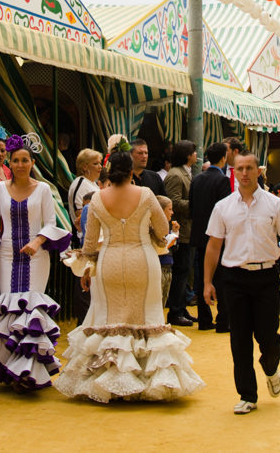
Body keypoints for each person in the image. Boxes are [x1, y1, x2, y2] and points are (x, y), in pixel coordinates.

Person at [55, 151, 204, 402]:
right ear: (130, 169)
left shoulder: (98, 199)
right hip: (142, 261)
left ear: (109, 170)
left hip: (109, 262)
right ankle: (145, 379)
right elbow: (163, 228)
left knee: (109, 318)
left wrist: (88, 268)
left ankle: (108, 377)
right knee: (146, 318)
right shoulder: (145, 195)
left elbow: (90, 243)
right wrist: (148, 233)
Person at [0, 134, 71, 390]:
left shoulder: (44, 189)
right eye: (16, 160)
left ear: (32, 163)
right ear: (10, 164)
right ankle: (12, 370)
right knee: (12, 310)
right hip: (7, 254)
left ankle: (31, 372)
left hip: (37, 257)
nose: (21, 164)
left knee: (32, 310)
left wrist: (37, 242)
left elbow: (50, 223)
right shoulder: (0, 189)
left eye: (25, 160)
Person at [203, 152, 280, 415]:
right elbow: (213, 246)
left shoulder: (276, 205)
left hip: (267, 276)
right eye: (240, 168)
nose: (244, 173)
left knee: (268, 336)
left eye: (249, 168)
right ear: (233, 171)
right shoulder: (223, 207)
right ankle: (247, 394)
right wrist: (207, 282)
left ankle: (271, 367)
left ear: (259, 171)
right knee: (240, 339)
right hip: (233, 279)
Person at [190, 142, 232, 331]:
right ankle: (223, 320)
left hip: (199, 233)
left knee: (201, 277)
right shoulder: (222, 180)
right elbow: (226, 210)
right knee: (221, 277)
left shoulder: (197, 179)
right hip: (217, 235)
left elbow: (192, 207)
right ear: (223, 158)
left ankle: (204, 319)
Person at [164, 139, 198, 326]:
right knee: (181, 271)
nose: (196, 155)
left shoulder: (185, 173)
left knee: (185, 272)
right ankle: (175, 310)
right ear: (187, 155)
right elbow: (173, 202)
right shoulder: (176, 175)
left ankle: (182, 307)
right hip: (181, 229)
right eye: (193, 152)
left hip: (187, 229)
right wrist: (195, 205)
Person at [67, 148, 102, 322]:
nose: (100, 167)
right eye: (95, 163)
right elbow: (82, 215)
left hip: (96, 239)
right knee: (84, 281)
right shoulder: (81, 183)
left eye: (100, 163)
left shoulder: (94, 184)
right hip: (84, 238)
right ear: (84, 166)